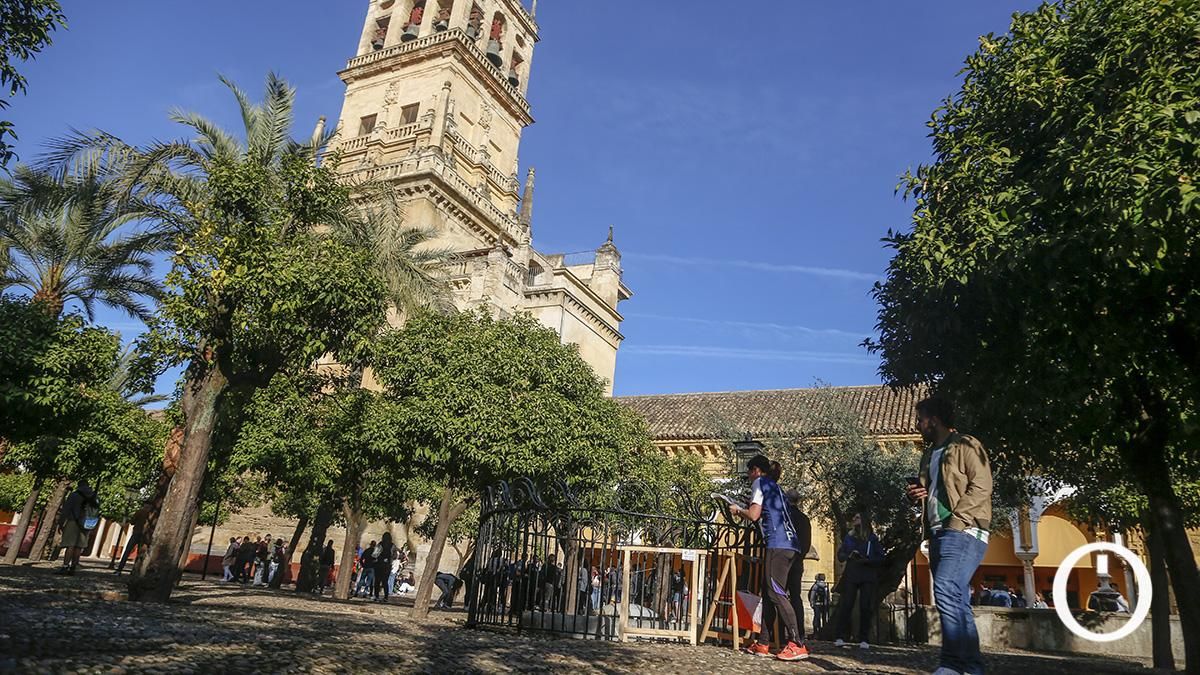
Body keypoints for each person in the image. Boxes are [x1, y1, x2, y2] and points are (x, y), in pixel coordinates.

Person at [906, 397, 993, 675]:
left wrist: (956, 521)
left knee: (943, 589)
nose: (917, 425)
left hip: (963, 530)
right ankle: (971, 668)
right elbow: (931, 492)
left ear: (933, 420)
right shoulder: (929, 454)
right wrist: (917, 494)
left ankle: (951, 665)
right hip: (937, 532)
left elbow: (982, 486)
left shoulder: (967, 445)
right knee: (956, 598)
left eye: (920, 420)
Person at [728, 454, 810, 661]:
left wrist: (738, 510)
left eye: (749, 471)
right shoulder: (775, 487)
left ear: (756, 470)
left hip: (778, 545)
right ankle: (763, 642)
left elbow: (754, 515)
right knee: (768, 593)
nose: (748, 476)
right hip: (791, 545)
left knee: (776, 593)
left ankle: (797, 643)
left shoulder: (759, 483)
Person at [834, 513, 884, 649]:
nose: (854, 519)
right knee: (846, 605)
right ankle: (839, 636)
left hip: (867, 573)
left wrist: (868, 560)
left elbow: (880, 557)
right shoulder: (849, 538)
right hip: (852, 572)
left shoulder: (872, 539)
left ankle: (864, 638)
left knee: (865, 606)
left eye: (857, 517)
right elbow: (841, 555)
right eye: (854, 517)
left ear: (864, 521)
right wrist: (849, 555)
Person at [56, 481, 100, 575]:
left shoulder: (74, 495)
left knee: (70, 545)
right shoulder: (94, 496)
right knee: (79, 546)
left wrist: (61, 522)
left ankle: (65, 566)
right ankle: (73, 567)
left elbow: (66, 509)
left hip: (73, 521)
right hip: (86, 523)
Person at [113, 501, 153, 576]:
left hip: (136, 533)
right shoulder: (152, 514)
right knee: (141, 553)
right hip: (145, 535)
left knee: (127, 551)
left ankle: (119, 570)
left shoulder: (139, 512)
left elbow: (132, 522)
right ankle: (137, 572)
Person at [373, 533, 395, 602]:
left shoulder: (380, 544)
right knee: (385, 582)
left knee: (377, 581)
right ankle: (386, 597)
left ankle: (376, 596)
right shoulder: (393, 546)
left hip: (379, 565)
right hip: (387, 566)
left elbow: (375, 555)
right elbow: (395, 556)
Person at [809, 573, 831, 637]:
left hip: (817, 604)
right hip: (824, 604)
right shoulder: (825, 586)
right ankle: (824, 632)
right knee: (824, 618)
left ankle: (816, 632)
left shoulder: (815, 585)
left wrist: (811, 603)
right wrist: (827, 603)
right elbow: (827, 596)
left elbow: (812, 595)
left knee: (816, 617)